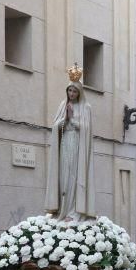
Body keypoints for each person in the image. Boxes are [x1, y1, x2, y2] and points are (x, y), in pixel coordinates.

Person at [44, 65, 94, 221]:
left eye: (74, 91)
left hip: (78, 147)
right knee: (63, 176)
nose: (71, 94)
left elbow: (86, 129)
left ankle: (74, 212)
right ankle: (61, 210)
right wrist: (65, 119)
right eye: (69, 91)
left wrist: (72, 118)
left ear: (79, 92)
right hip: (64, 144)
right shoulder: (62, 105)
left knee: (74, 176)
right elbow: (56, 127)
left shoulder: (86, 107)